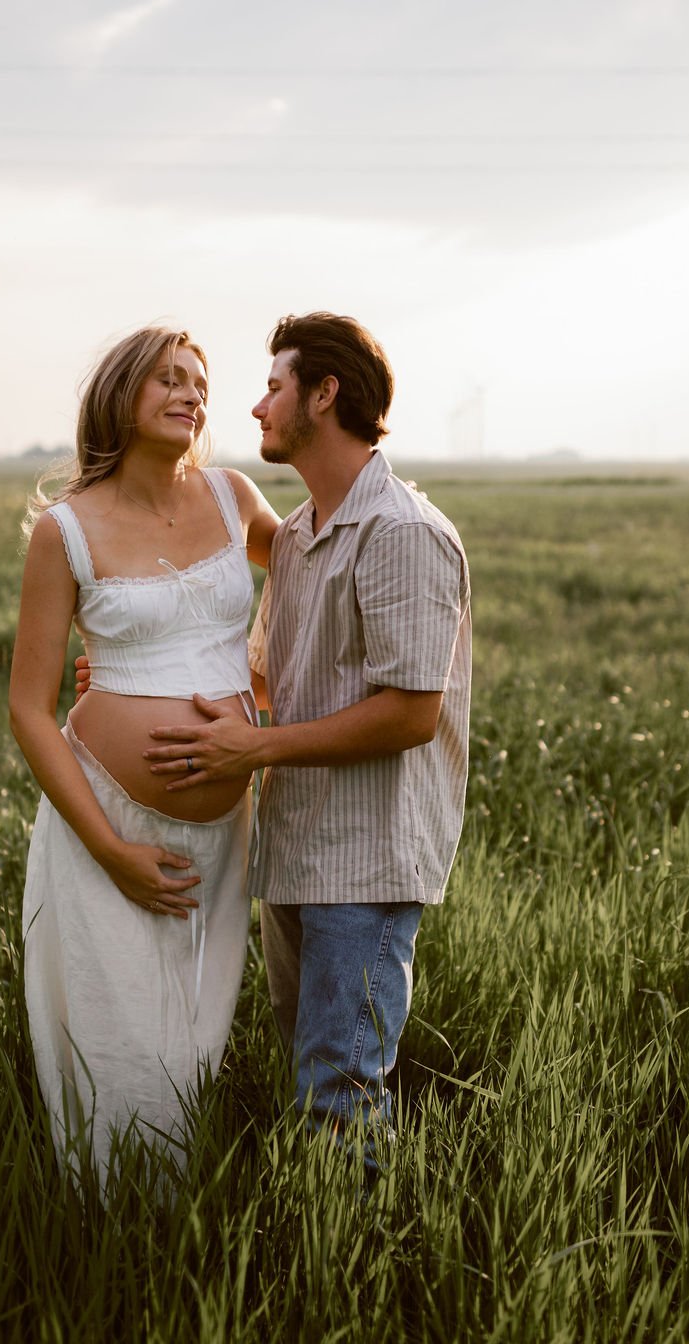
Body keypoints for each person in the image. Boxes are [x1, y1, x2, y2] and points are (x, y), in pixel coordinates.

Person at [144, 312, 472, 1165]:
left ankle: (359, 1281)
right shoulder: (295, 538)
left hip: (366, 861)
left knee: (340, 1092)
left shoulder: (403, 533)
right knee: (315, 1071)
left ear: (324, 395)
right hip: (295, 849)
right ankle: (326, 1263)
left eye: (275, 385)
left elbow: (412, 713)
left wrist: (257, 750)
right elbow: (268, 685)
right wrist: (129, 688)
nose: (254, 408)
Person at [9, 325, 279, 1191]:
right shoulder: (66, 531)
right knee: (120, 1044)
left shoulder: (235, 498)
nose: (191, 392)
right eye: (167, 377)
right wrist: (112, 851)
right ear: (121, 394)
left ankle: (175, 1239)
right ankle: (109, 1237)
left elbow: (319, 584)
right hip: (106, 819)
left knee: (193, 1040)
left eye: (199, 380)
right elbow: (28, 707)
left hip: (223, 828)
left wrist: (258, 693)